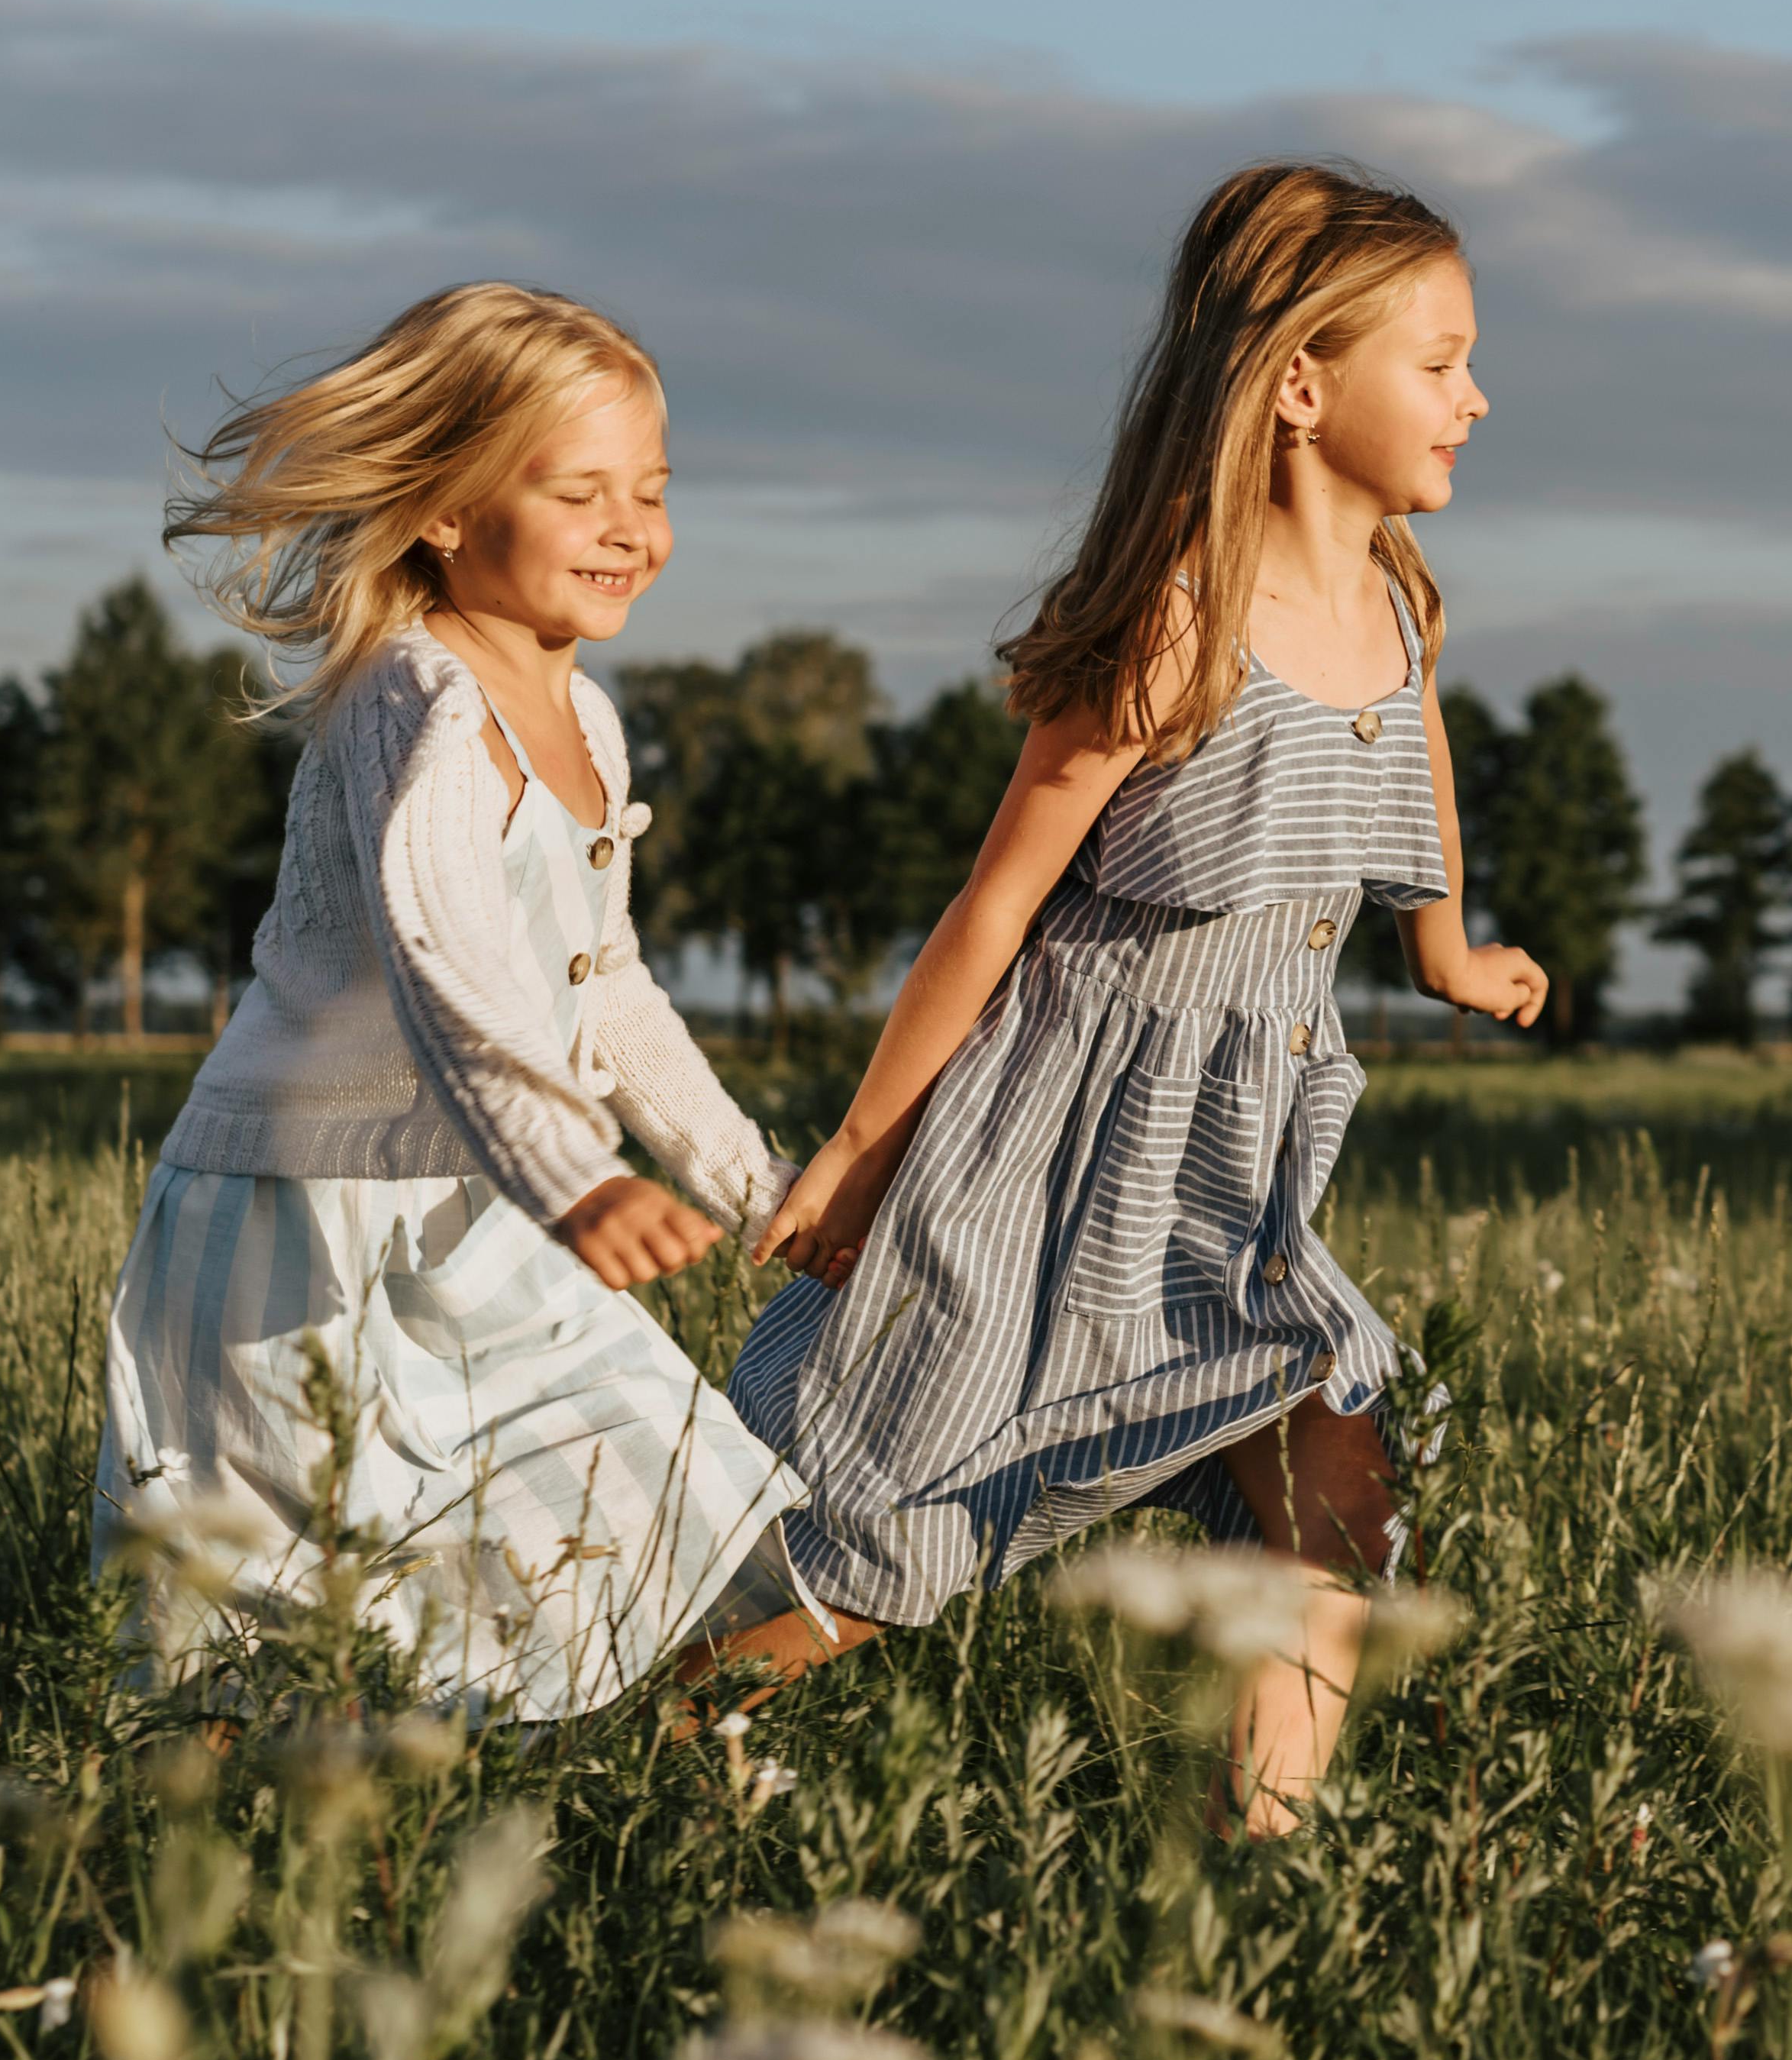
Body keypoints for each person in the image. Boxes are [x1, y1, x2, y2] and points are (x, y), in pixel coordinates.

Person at [714, 161, 1546, 1831]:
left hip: (1230, 1177)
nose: (1476, 396)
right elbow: (992, 906)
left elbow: (1417, 741)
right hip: (1057, 1149)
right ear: (1299, 385)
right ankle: (649, 1719)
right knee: (897, 1538)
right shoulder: (1176, 631)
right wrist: (864, 1153)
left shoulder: (1392, 597)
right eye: (1439, 360)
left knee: (1341, 1500)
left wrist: (1439, 946)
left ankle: (1261, 1870)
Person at [99, 283, 805, 1721]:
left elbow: (601, 989)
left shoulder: (591, 722)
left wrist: (755, 1187)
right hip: (301, 1221)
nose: (632, 528)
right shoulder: (409, 696)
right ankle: (204, 1877)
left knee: (680, 1491)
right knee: (279, 1634)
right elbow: (447, 967)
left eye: (653, 491)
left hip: (494, 1206)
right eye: (581, 490)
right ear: (443, 506)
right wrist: (578, 1178)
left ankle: (604, 1785)